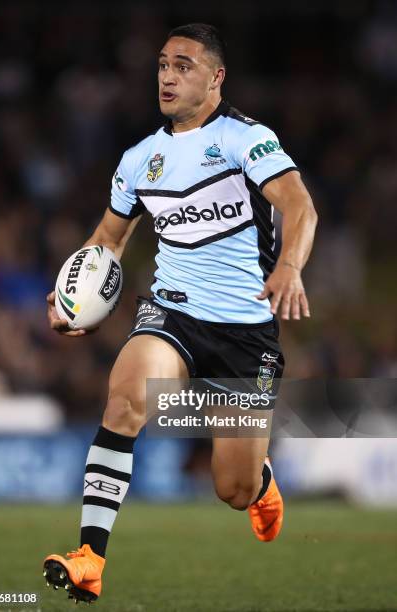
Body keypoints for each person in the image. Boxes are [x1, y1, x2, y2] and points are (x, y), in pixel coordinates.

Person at [42, 23, 317, 604]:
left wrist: (289, 266)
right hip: (172, 314)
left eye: (184, 66)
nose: (168, 76)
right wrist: (73, 293)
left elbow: (299, 203)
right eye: (163, 64)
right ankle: (90, 557)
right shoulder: (141, 159)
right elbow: (108, 240)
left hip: (246, 334)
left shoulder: (245, 139)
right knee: (124, 397)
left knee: (233, 489)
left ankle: (261, 481)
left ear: (216, 78)